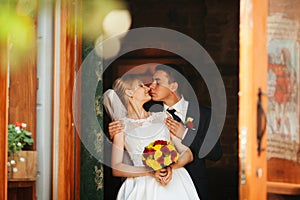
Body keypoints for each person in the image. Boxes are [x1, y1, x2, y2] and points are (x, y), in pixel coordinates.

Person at [109, 64, 222, 200]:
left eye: (158, 81)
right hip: (144, 186)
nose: (150, 86)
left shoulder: (203, 114)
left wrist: (185, 134)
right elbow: (124, 151)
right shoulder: (149, 111)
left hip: (186, 185)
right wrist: (114, 134)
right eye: (146, 83)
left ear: (173, 86)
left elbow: (214, 153)